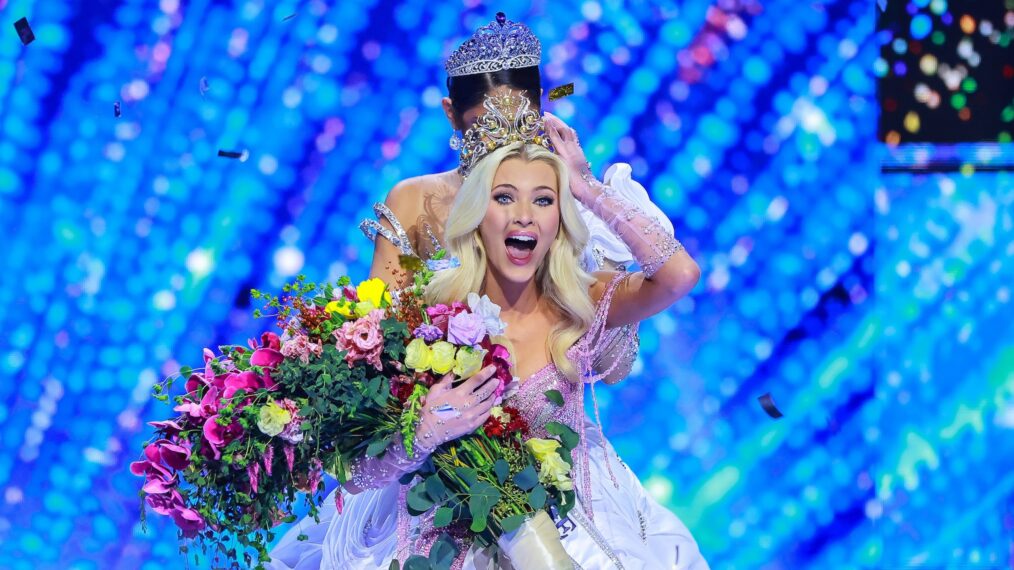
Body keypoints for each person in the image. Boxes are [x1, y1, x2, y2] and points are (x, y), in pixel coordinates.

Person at [268, 90, 708, 569]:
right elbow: (355, 477)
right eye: (504, 197)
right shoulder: (425, 313)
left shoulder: (582, 300)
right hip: (432, 534)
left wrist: (586, 188)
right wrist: (420, 436)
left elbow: (679, 275)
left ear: (560, 218)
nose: (524, 215)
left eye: (544, 200)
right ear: (478, 215)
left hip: (559, 526)